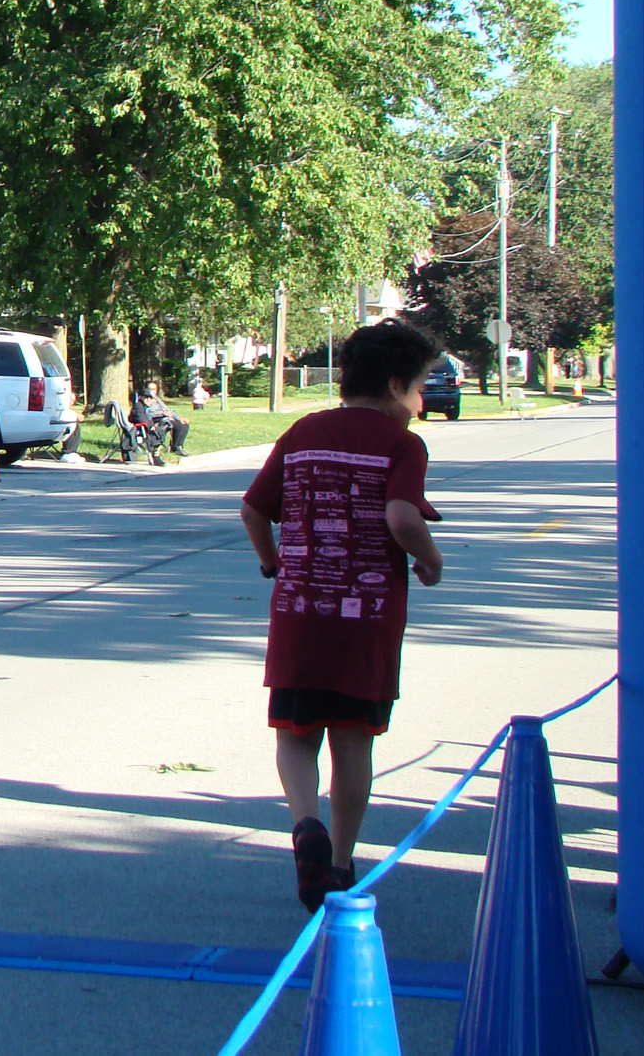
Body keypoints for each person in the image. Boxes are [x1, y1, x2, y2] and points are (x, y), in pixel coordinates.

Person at [238, 319, 447, 910]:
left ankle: (306, 825)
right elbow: (402, 518)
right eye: (420, 388)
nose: (421, 402)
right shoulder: (403, 444)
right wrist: (431, 560)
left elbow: (254, 509)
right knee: (354, 743)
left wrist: (273, 563)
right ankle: (339, 863)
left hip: (301, 613)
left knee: (295, 735)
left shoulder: (303, 432)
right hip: (367, 623)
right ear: (395, 385)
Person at [131, 379, 190, 460]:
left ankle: (178, 445)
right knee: (177, 425)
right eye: (151, 389)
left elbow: (167, 410)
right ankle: (176, 448)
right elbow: (148, 414)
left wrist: (179, 418)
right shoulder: (145, 400)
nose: (153, 391)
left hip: (166, 417)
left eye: (154, 389)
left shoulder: (157, 399)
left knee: (183, 424)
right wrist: (162, 414)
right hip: (156, 420)